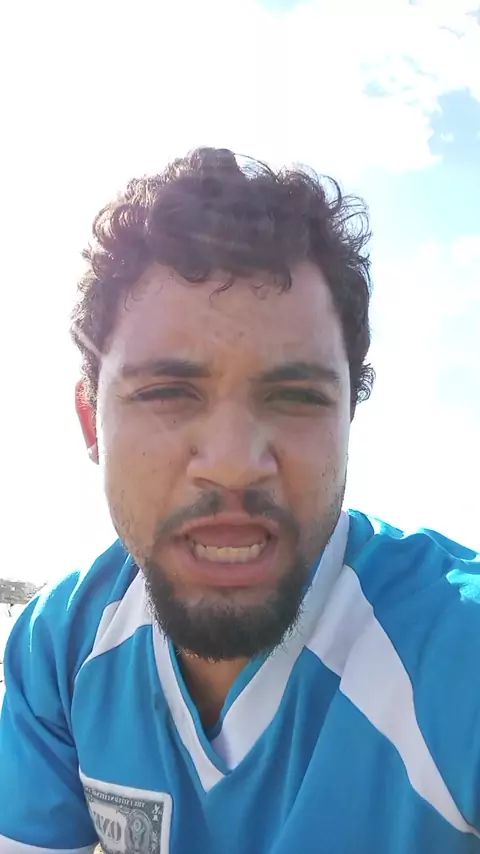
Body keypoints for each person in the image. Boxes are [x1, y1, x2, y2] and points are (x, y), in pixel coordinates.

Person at [0, 147, 479, 854]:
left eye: (296, 396)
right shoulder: (60, 645)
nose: (232, 464)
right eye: (166, 392)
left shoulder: (457, 651)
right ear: (90, 421)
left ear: (347, 418)